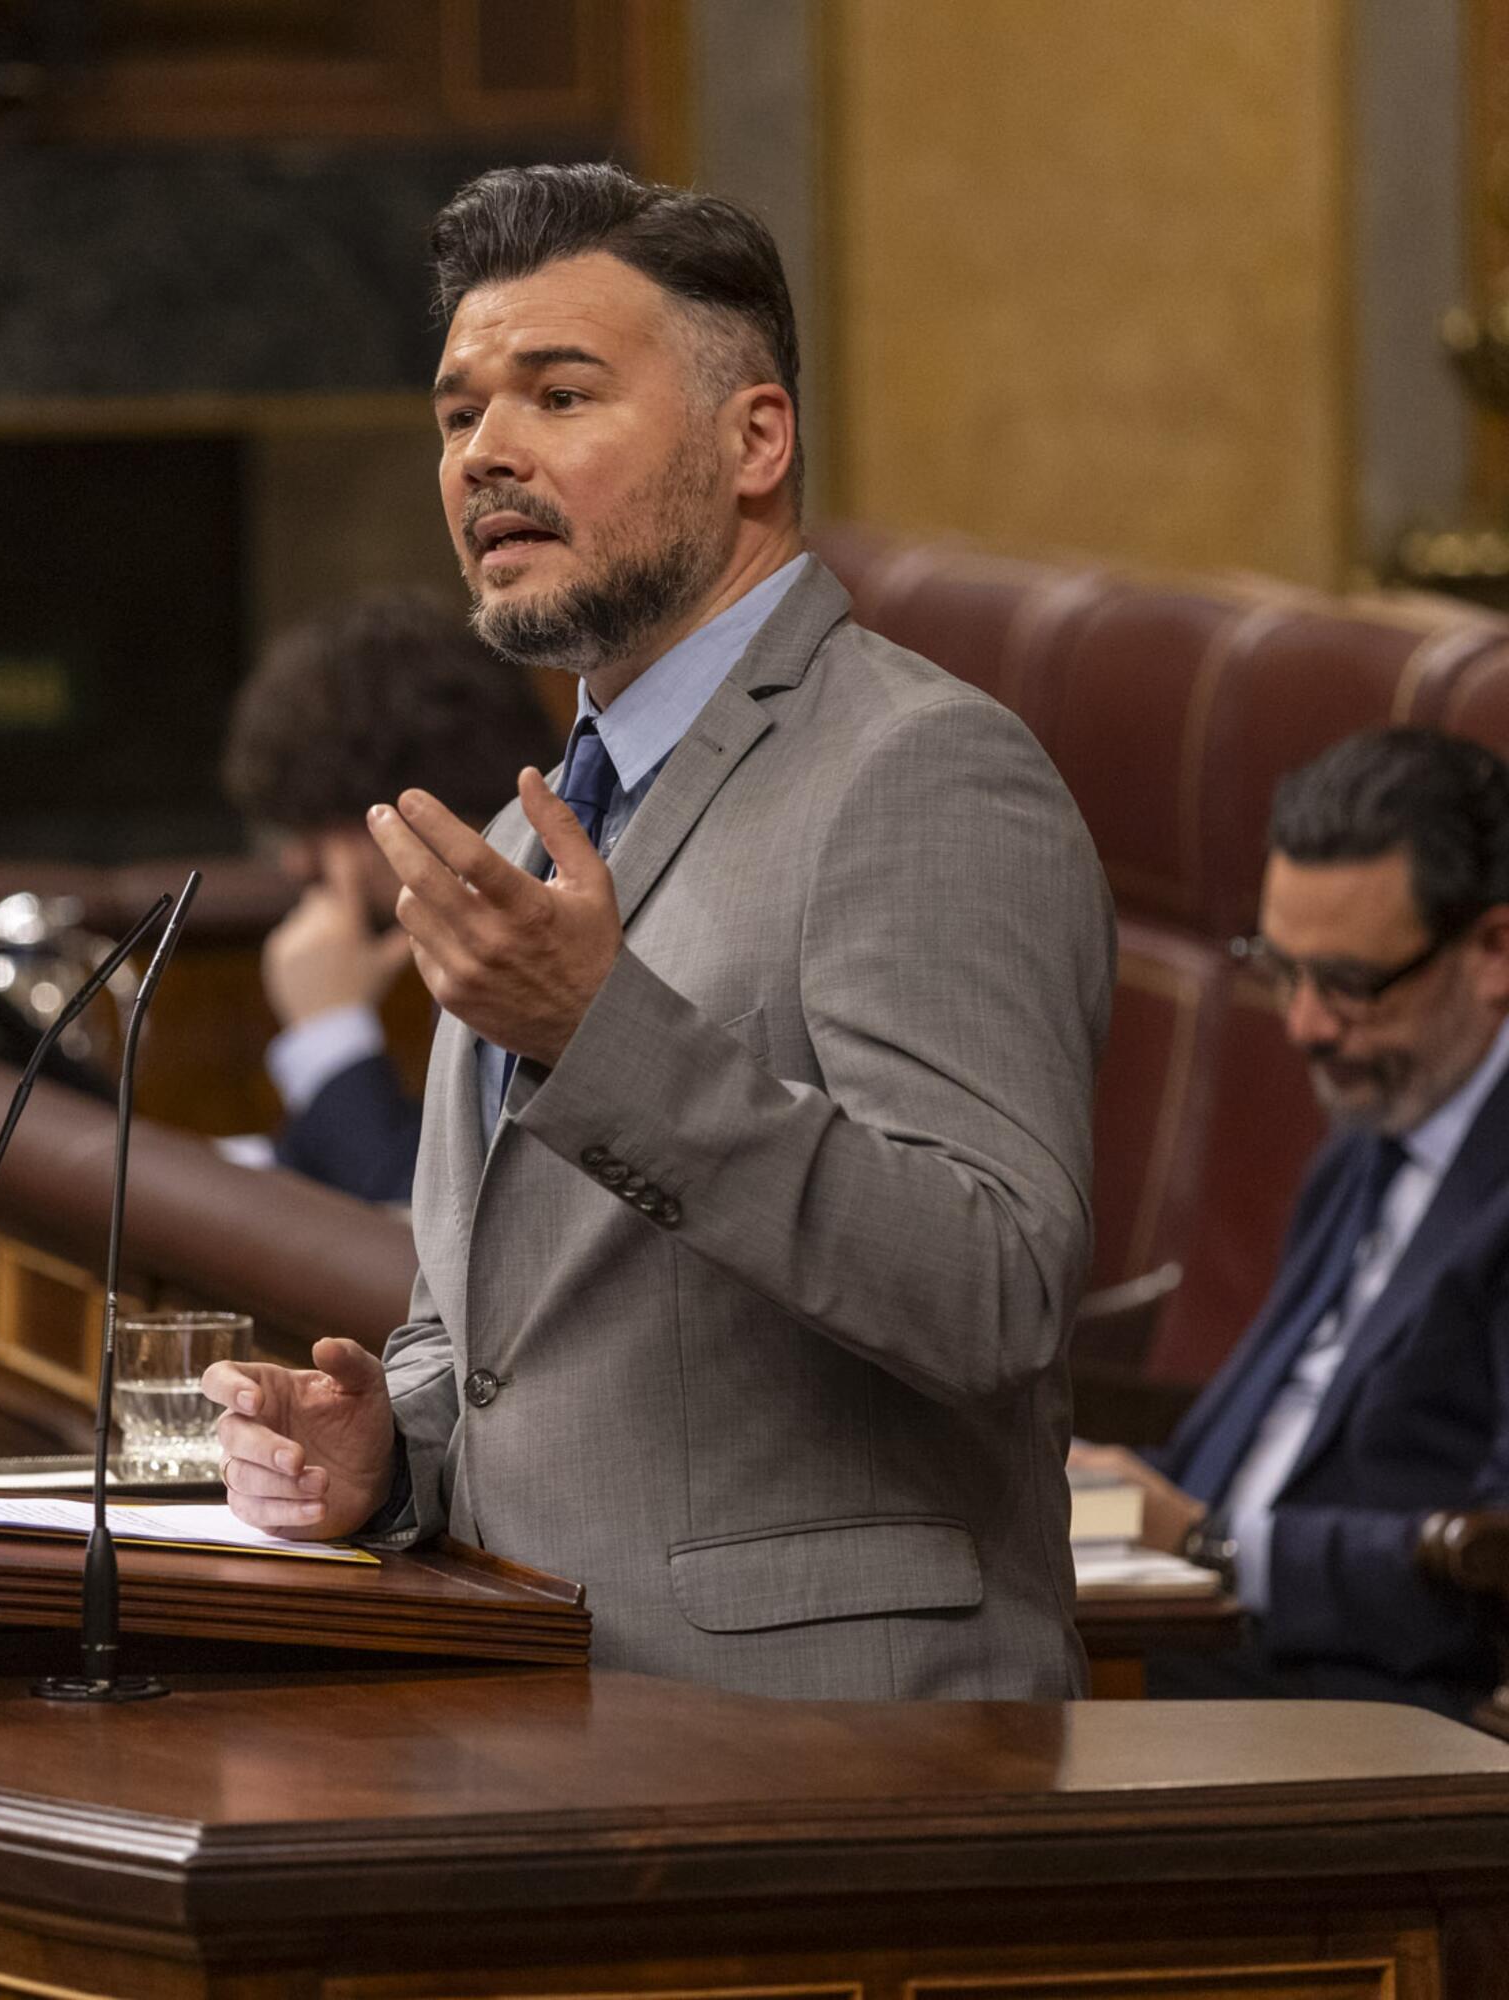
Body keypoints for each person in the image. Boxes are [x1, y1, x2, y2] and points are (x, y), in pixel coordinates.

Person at [205, 162, 1114, 1700]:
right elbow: (491, 1329)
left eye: (559, 396)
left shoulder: (920, 771)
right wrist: (392, 1442)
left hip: (841, 1764)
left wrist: (597, 1031)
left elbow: (995, 1291)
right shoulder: (520, 831)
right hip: (543, 1720)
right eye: (456, 414)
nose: (486, 452)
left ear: (754, 439)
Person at [1073, 728, 1509, 1716]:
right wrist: (1088, 1497)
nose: (1303, 1023)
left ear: (1492, 950)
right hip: (1207, 1633)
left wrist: (1206, 1540)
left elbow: (1493, 1554)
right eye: (1281, 967)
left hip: (1366, 1703)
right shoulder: (1371, 1131)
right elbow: (1249, 1443)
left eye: (1349, 983)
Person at [220, 592, 558, 1203]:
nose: (298, 863)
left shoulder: (539, 925)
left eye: (322, 823)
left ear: (416, 802)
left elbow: (427, 1217)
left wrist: (329, 1027)